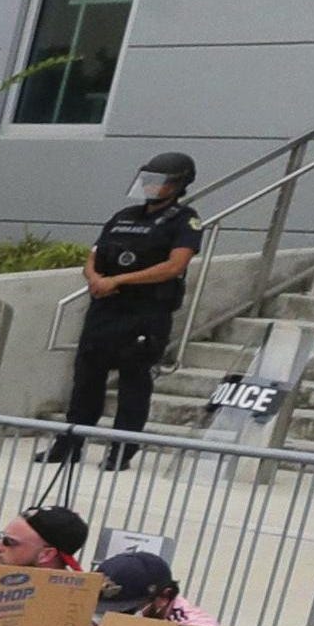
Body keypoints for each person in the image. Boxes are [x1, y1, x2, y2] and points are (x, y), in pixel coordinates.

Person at [52, 154, 201, 471]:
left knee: (133, 385)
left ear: (179, 185)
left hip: (145, 313)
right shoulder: (124, 216)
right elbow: (94, 255)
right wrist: (94, 278)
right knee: (86, 381)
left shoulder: (184, 220)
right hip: (105, 310)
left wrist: (119, 279)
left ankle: (121, 450)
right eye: (148, 180)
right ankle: (69, 444)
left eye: (160, 182)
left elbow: (174, 266)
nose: (151, 187)